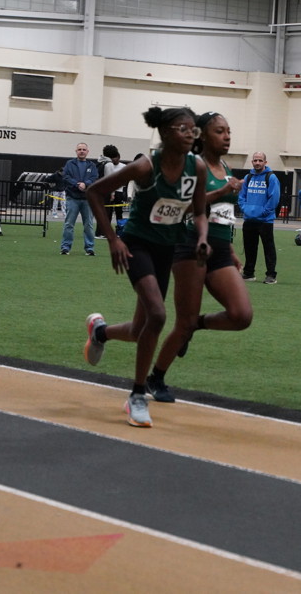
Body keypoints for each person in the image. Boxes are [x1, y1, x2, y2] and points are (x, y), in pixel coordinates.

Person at [83, 106, 210, 428]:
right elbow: (96, 192)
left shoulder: (196, 167)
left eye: (194, 129)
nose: (191, 134)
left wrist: (201, 238)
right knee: (158, 314)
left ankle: (100, 332)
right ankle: (137, 395)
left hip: (167, 249)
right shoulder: (145, 166)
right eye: (183, 128)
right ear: (166, 133)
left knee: (141, 329)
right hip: (137, 245)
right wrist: (113, 239)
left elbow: (199, 211)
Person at [147, 111, 252, 403]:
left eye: (229, 131)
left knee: (241, 315)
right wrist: (223, 191)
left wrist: (230, 248)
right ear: (202, 135)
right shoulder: (193, 165)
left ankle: (198, 324)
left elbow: (222, 215)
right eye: (220, 131)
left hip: (220, 248)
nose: (227, 137)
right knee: (183, 321)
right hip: (191, 246)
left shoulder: (225, 166)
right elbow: (184, 206)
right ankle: (156, 377)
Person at [239, 152, 280, 283]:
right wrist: (245, 209)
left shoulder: (271, 178)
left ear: (265, 162)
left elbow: (274, 198)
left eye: (260, 160)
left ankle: (271, 275)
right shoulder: (248, 177)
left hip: (265, 221)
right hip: (249, 219)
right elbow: (241, 196)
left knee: (268, 248)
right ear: (252, 162)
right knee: (249, 248)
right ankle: (249, 273)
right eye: (255, 160)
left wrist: (264, 212)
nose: (257, 163)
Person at [60, 142, 99, 256]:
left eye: (84, 149)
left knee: (89, 225)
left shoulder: (92, 165)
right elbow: (66, 177)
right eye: (79, 149)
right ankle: (65, 247)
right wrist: (77, 184)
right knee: (69, 224)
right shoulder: (69, 164)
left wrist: (85, 184)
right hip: (72, 198)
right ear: (76, 151)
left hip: (87, 199)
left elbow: (94, 177)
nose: (82, 151)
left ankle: (90, 248)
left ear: (87, 152)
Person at [101, 145, 127, 233]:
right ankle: (107, 230)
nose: (114, 159)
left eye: (115, 157)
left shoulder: (123, 166)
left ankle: (120, 229)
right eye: (112, 158)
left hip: (119, 191)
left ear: (119, 157)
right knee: (108, 211)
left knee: (119, 212)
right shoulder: (108, 165)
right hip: (109, 191)